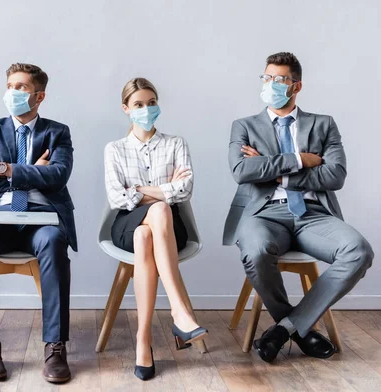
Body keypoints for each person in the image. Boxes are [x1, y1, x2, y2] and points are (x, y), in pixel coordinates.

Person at [223, 52, 374, 363]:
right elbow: (242, 171)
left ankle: (285, 329)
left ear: (297, 86)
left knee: (359, 251)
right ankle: (301, 329)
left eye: (279, 80)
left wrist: (274, 171)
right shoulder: (244, 126)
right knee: (255, 250)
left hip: (312, 215)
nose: (271, 85)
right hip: (264, 213)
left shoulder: (323, 124)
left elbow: (335, 175)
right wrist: (299, 161)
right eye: (266, 78)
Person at [0, 63, 76, 383]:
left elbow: (58, 176)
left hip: (42, 220)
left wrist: (4, 170)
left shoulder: (57, 132)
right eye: (10, 84)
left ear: (39, 96)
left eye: (21, 87)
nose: (12, 92)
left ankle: (55, 348)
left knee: (53, 242)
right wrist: (29, 172)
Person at [104, 77, 208, 381]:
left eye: (151, 103)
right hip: (125, 222)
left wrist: (138, 189)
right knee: (157, 210)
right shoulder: (115, 149)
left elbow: (185, 190)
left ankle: (143, 341)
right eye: (138, 104)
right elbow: (117, 198)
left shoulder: (176, 143)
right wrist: (162, 189)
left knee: (146, 232)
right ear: (126, 109)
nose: (146, 109)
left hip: (167, 229)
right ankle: (179, 312)